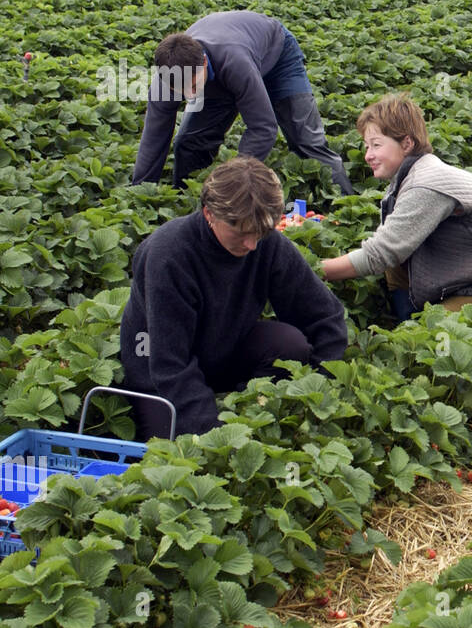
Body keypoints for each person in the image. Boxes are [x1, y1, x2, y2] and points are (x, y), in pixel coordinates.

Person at [121, 156, 348, 439]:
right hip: (157, 369)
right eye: (241, 233)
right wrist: (219, 437)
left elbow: (324, 315)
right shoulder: (169, 256)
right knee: (169, 447)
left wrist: (322, 385)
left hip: (223, 348)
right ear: (209, 214)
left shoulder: (267, 243)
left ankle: (244, 406)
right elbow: (170, 365)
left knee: (290, 344)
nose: (251, 245)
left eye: (260, 233)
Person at [321, 93, 472, 318]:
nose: (368, 156)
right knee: (396, 264)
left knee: (432, 329)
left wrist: (314, 270)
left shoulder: (425, 184)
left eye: (376, 145)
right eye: (366, 146)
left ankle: (412, 329)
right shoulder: (409, 174)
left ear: (407, 143)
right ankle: (406, 319)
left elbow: (380, 254)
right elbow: (390, 244)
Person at [131, 10, 355, 194]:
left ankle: (345, 200)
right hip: (221, 74)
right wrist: (140, 192)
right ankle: (188, 200)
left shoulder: (234, 62)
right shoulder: (167, 79)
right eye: (179, 90)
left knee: (307, 140)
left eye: (191, 86)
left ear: (203, 63)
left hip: (276, 58)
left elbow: (263, 127)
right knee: (190, 142)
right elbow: (153, 139)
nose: (189, 96)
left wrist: (233, 181)